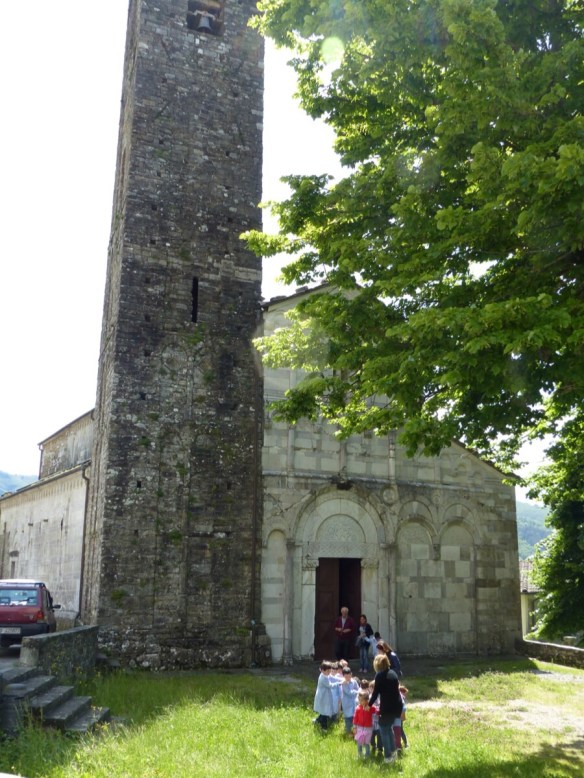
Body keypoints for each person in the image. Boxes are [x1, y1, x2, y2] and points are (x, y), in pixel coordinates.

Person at [368, 653, 403, 764]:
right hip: (397, 706)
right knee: (389, 729)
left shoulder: (380, 676)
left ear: (377, 664)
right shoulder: (393, 673)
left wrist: (368, 705)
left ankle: (388, 757)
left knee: (383, 730)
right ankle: (393, 753)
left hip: (387, 707)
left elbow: (375, 694)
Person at [313, 660, 343, 730]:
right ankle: (324, 728)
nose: (329, 673)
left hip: (326, 696)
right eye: (328, 671)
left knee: (323, 711)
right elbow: (330, 685)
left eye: (330, 671)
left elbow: (333, 677)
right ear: (323, 670)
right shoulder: (323, 678)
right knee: (325, 712)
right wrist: (340, 683)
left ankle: (317, 721)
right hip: (323, 697)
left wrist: (341, 679)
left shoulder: (326, 674)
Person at [353, 690, 376, 758]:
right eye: (359, 700)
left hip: (368, 728)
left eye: (361, 700)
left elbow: (376, 710)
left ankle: (367, 755)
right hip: (359, 728)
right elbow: (355, 718)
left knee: (366, 743)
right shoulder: (358, 708)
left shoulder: (370, 707)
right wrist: (354, 727)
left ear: (367, 700)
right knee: (359, 742)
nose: (360, 701)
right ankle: (360, 754)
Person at [340, 666, 359, 735]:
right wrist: (356, 692)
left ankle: (355, 732)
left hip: (354, 702)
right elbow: (349, 692)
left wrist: (355, 691)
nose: (348, 677)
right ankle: (348, 732)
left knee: (354, 717)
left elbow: (358, 689)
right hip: (347, 703)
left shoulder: (354, 681)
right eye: (346, 676)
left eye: (349, 675)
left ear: (351, 674)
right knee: (348, 718)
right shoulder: (343, 683)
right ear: (343, 675)